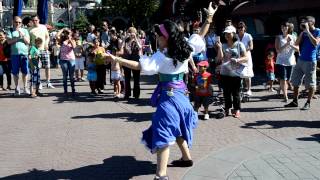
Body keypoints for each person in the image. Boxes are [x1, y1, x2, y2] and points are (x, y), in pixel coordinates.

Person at [105, 3, 217, 179]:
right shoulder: (185, 48)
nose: (156, 37)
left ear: (166, 37)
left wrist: (116, 58)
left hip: (169, 98)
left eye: (158, 35)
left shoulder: (162, 56)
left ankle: (161, 175)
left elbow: (139, 65)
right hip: (181, 97)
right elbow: (201, 34)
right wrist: (209, 17)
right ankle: (186, 158)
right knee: (178, 127)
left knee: (163, 132)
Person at [285, 16, 320, 110]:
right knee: (295, 82)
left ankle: (308, 102)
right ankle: (295, 101)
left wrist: (308, 32)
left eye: (306, 22)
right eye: (303, 22)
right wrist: (302, 32)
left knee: (310, 84)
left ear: (312, 23)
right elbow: (296, 43)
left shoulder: (317, 31)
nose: (304, 24)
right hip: (300, 60)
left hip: (310, 61)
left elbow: (316, 43)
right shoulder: (304, 32)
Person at [216, 25, 248, 118]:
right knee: (226, 92)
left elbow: (246, 58)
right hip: (225, 72)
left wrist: (237, 60)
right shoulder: (224, 45)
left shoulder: (239, 44)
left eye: (229, 33)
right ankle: (227, 109)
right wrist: (219, 47)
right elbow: (220, 59)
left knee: (236, 92)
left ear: (233, 34)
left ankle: (237, 109)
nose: (227, 35)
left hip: (236, 72)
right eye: (225, 33)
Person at [275, 21, 298, 102]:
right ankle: (285, 96)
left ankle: (279, 89)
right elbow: (278, 51)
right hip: (281, 61)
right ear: (281, 28)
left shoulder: (293, 37)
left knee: (289, 80)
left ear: (288, 28)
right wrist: (286, 44)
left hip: (291, 61)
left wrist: (291, 44)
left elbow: (298, 49)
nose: (284, 28)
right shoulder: (278, 37)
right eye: (282, 27)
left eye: (285, 27)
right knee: (283, 79)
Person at [6, 16, 30, 96]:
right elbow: (9, 42)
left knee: (25, 72)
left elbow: (28, 42)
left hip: (24, 54)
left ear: (21, 23)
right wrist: (17, 38)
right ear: (13, 22)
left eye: (19, 22)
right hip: (14, 55)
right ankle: (17, 88)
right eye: (16, 22)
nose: (18, 24)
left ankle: (25, 87)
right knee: (15, 72)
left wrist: (22, 36)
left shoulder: (25, 30)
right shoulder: (10, 31)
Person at [29, 15, 54, 89]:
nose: (35, 22)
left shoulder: (43, 27)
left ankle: (48, 82)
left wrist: (46, 43)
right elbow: (29, 41)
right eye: (33, 20)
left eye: (36, 20)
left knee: (47, 66)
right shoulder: (29, 29)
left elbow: (47, 37)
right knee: (36, 68)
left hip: (44, 49)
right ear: (32, 21)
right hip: (35, 51)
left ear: (39, 20)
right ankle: (38, 82)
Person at [56, 28, 77, 96]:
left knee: (71, 76)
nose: (68, 34)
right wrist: (62, 29)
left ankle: (73, 90)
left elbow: (74, 47)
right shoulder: (61, 41)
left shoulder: (73, 40)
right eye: (67, 33)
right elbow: (56, 36)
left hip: (71, 60)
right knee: (65, 76)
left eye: (69, 33)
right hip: (63, 60)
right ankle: (65, 91)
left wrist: (70, 39)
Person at [123, 27, 142, 99]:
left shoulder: (138, 40)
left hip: (135, 61)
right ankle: (127, 94)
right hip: (127, 60)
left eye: (133, 33)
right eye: (130, 32)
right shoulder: (126, 40)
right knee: (127, 78)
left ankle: (136, 94)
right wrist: (126, 38)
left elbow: (140, 48)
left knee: (136, 78)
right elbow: (122, 47)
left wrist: (135, 39)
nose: (132, 34)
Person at [237, 21, 254, 95]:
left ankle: (249, 89)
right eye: (239, 27)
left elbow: (251, 47)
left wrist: (243, 51)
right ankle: (239, 89)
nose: (240, 29)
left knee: (247, 73)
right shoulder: (235, 36)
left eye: (242, 27)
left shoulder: (248, 36)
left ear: (244, 28)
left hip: (246, 56)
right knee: (238, 73)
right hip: (238, 56)